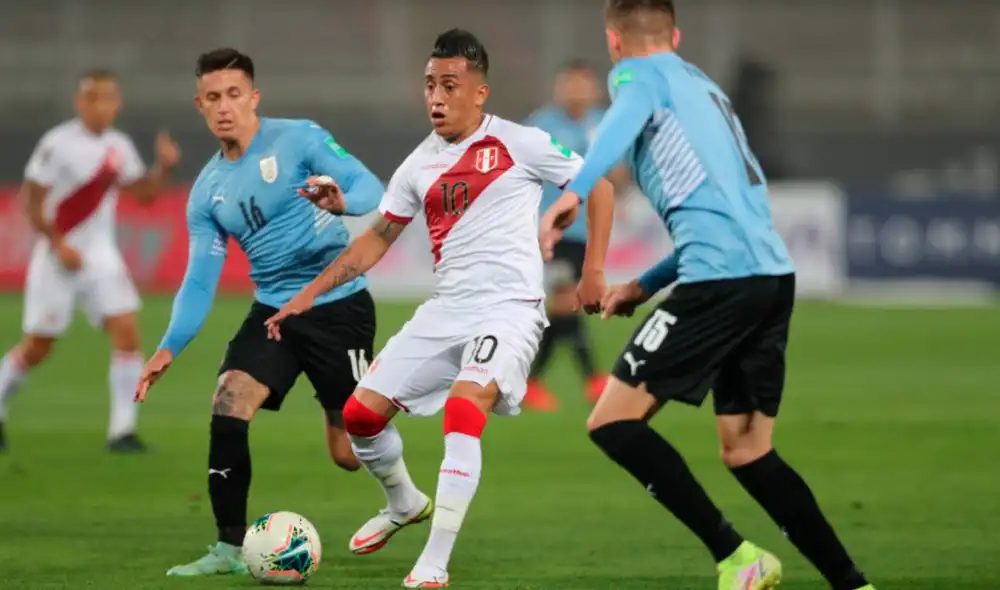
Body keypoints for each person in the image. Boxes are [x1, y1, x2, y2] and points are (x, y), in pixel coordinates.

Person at [542, 2, 876, 589]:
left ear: (613, 41)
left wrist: (575, 189)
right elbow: (729, 213)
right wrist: (642, 286)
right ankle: (853, 584)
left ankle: (737, 558)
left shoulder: (637, 76)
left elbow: (620, 121)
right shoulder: (706, 92)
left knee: (611, 422)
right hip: (770, 277)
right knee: (748, 450)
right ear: (675, 34)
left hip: (720, 281)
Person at [265, 29, 615, 588]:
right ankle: (403, 501)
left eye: (450, 85)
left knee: (462, 411)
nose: (436, 96)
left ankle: (435, 560)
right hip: (446, 309)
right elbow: (377, 238)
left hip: (509, 309)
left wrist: (593, 271)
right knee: (359, 416)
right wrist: (307, 295)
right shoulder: (417, 166)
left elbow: (597, 185)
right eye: (430, 84)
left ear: (480, 93)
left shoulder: (519, 142)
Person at [134, 48, 384, 577]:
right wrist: (168, 347)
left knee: (347, 451)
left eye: (233, 94)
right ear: (199, 105)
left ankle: (402, 489)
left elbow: (370, 187)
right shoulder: (206, 192)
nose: (224, 107)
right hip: (274, 313)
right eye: (212, 98)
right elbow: (200, 279)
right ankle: (227, 547)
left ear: (253, 97)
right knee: (228, 401)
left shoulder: (298, 138)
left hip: (338, 308)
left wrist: (343, 203)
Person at [0, 69, 180, 453]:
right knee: (38, 346)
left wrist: (164, 167)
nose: (101, 106)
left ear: (117, 103)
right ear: (79, 102)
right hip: (57, 259)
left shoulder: (118, 146)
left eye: (109, 98)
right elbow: (31, 200)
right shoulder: (57, 144)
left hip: (101, 258)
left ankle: (122, 432)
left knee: (127, 332)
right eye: (93, 97)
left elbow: (143, 194)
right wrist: (57, 242)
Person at [523, 60, 627, 410]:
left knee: (566, 304)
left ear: (593, 88)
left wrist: (612, 168)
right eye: (568, 84)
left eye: (581, 84)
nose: (574, 91)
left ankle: (532, 381)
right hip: (549, 228)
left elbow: (620, 177)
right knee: (565, 296)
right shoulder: (542, 125)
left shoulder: (605, 123)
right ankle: (593, 379)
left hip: (587, 231)